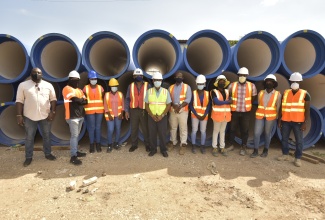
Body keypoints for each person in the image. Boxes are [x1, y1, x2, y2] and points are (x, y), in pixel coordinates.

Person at [16, 68, 57, 167]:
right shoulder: (23, 85)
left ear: (42, 74)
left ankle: (48, 154)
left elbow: (53, 99)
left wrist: (53, 111)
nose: (37, 74)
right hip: (29, 116)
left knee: (46, 135)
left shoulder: (48, 85)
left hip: (45, 115)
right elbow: (19, 101)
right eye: (34, 73)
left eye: (39, 73)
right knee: (29, 137)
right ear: (30, 74)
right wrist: (19, 115)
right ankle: (28, 157)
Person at [277, 72, 310, 167]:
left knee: (299, 141)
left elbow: (307, 110)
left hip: (298, 122)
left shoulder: (305, 94)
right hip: (286, 120)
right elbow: (281, 108)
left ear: (300, 82)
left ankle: (298, 158)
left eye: (297, 81)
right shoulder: (285, 93)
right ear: (290, 81)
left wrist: (305, 123)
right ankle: (285, 154)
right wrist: (279, 120)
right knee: (284, 139)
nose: (295, 82)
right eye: (293, 81)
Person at [227, 67, 257, 155]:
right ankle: (231, 144)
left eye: (244, 75)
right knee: (232, 129)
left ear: (247, 76)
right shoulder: (232, 85)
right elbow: (228, 95)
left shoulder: (252, 86)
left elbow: (253, 96)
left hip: (246, 112)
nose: (242, 76)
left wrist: (248, 104)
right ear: (238, 76)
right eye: (240, 75)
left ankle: (243, 146)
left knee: (245, 130)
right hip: (235, 111)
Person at [251, 74, 281, 158]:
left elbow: (278, 107)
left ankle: (265, 150)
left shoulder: (277, 94)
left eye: (271, 81)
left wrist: (278, 119)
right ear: (265, 83)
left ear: (274, 83)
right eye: (267, 81)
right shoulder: (261, 93)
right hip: (260, 116)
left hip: (270, 117)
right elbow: (259, 104)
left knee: (267, 133)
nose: (269, 83)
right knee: (256, 133)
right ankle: (255, 150)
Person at [62, 70, 87, 165]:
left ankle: (76, 152)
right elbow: (77, 100)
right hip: (72, 117)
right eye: (74, 80)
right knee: (74, 136)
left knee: (76, 136)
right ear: (70, 80)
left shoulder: (79, 90)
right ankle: (73, 156)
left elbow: (85, 101)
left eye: (77, 80)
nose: (76, 81)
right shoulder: (66, 89)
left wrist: (80, 100)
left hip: (80, 116)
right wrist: (80, 100)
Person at [145, 72, 171, 157]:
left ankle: (163, 150)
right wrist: (152, 115)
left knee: (162, 134)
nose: (157, 81)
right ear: (152, 81)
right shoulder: (149, 92)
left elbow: (168, 105)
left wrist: (162, 115)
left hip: (162, 117)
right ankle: (153, 149)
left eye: (159, 80)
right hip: (151, 117)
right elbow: (146, 105)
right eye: (155, 80)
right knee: (152, 134)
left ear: (161, 81)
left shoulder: (165, 91)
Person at [124, 68, 150, 152]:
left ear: (142, 76)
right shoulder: (130, 86)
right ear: (133, 76)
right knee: (134, 128)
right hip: (133, 110)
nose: (138, 76)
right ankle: (134, 145)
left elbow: (151, 98)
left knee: (145, 128)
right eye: (136, 75)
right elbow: (127, 99)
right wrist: (126, 111)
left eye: (139, 75)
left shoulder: (147, 85)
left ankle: (147, 144)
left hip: (144, 110)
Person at [168, 72, 192, 155]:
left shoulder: (187, 87)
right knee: (173, 127)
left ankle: (183, 144)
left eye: (180, 76)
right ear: (174, 78)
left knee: (183, 128)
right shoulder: (170, 87)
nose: (179, 77)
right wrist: (174, 106)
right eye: (177, 76)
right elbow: (168, 99)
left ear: (183, 78)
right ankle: (173, 142)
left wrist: (179, 106)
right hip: (173, 110)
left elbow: (188, 99)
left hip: (183, 111)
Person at [82, 70, 104, 153]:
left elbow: (102, 97)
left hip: (99, 110)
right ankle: (91, 145)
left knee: (98, 128)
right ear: (89, 79)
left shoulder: (100, 88)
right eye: (92, 79)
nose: (93, 80)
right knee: (91, 128)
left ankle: (98, 144)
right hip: (89, 111)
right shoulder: (85, 88)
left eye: (95, 78)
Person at [189, 74, 211, 154]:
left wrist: (205, 114)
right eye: (199, 84)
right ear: (196, 84)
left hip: (204, 116)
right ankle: (193, 145)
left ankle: (202, 146)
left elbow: (209, 105)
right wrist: (196, 114)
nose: (200, 85)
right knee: (194, 130)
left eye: (201, 84)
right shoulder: (193, 93)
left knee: (203, 131)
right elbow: (190, 105)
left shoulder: (208, 94)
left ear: (204, 84)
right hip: (195, 115)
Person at [210, 75, 232, 157]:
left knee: (222, 131)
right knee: (216, 131)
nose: (222, 83)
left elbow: (231, 100)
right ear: (217, 83)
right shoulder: (213, 91)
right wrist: (227, 102)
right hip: (217, 115)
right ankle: (214, 147)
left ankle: (222, 147)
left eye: (223, 81)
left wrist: (229, 101)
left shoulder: (227, 91)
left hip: (225, 115)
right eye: (221, 81)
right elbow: (216, 102)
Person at [104, 78, 124, 153]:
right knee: (110, 129)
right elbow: (105, 106)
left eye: (115, 86)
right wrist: (109, 114)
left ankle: (116, 143)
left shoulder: (120, 94)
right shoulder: (106, 95)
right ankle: (109, 144)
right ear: (110, 87)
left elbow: (123, 105)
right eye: (112, 86)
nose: (114, 87)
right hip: (110, 116)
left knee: (118, 129)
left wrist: (122, 113)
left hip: (118, 115)